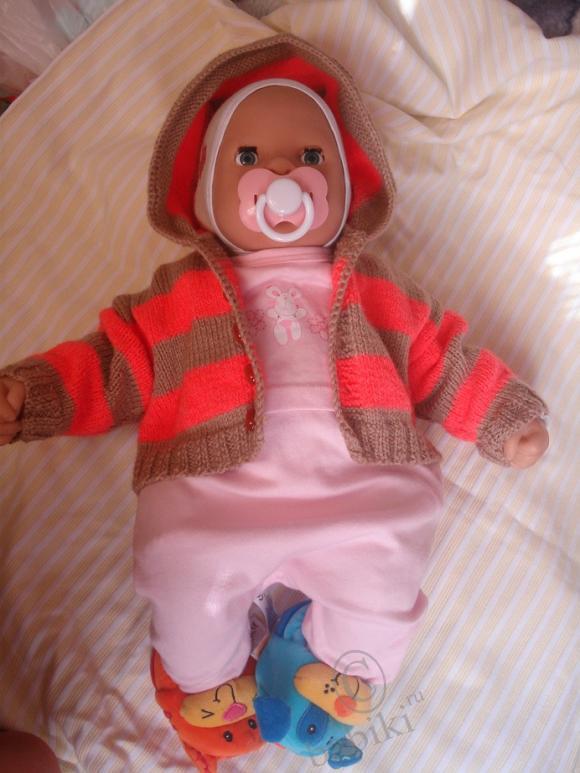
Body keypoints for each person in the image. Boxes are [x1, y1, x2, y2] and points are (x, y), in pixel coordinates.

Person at [0, 34, 549, 766]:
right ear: (205, 197)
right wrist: (31, 395)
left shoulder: (375, 288)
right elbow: (111, 364)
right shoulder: (178, 295)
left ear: (348, 188)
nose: (285, 173)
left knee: (379, 606)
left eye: (312, 156)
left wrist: (502, 415)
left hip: (361, 497)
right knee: (184, 586)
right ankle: (205, 681)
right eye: (249, 157)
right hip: (212, 500)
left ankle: (315, 666)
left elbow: (437, 357)